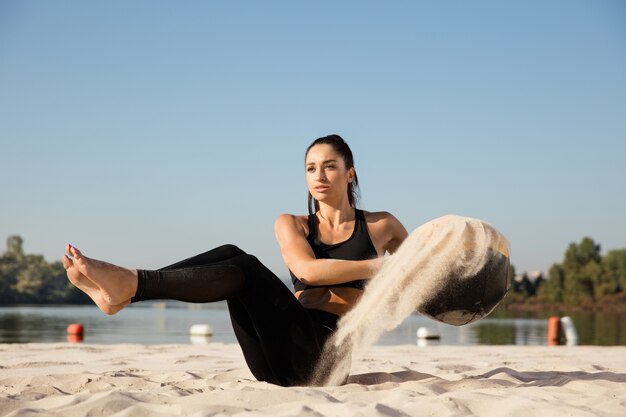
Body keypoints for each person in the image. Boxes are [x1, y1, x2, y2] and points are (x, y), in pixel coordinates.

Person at [62, 134, 408, 386]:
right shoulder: (293, 224)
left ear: (350, 173)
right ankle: (127, 289)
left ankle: (129, 287)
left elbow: (426, 274)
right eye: (311, 168)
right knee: (233, 256)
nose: (318, 175)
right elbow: (307, 271)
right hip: (275, 353)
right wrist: (378, 267)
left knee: (245, 268)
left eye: (329, 166)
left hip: (323, 360)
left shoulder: (381, 226)